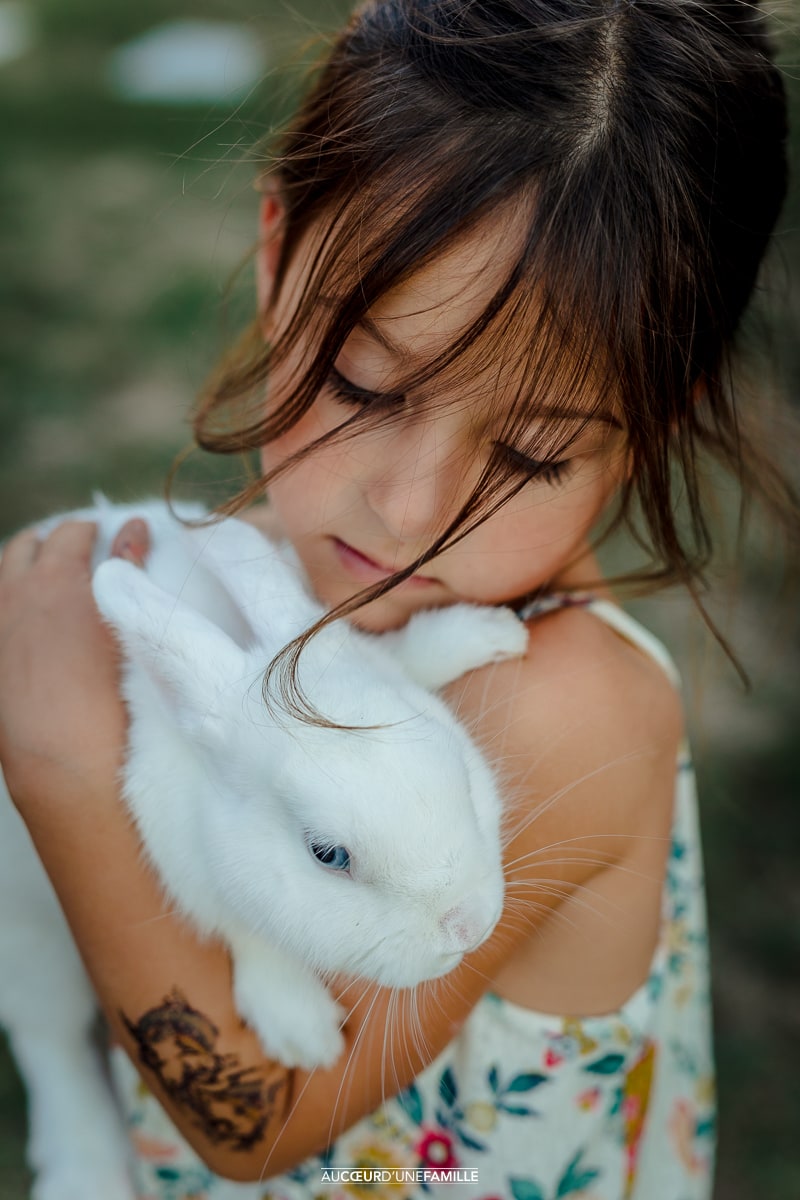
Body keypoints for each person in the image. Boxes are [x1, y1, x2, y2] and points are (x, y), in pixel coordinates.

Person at [0, 1, 795, 1197]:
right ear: (277, 256)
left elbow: (260, 1119)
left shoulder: (562, 709)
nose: (408, 511)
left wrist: (60, 763)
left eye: (528, 455)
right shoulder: (256, 584)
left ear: (654, 423)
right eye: (367, 387)